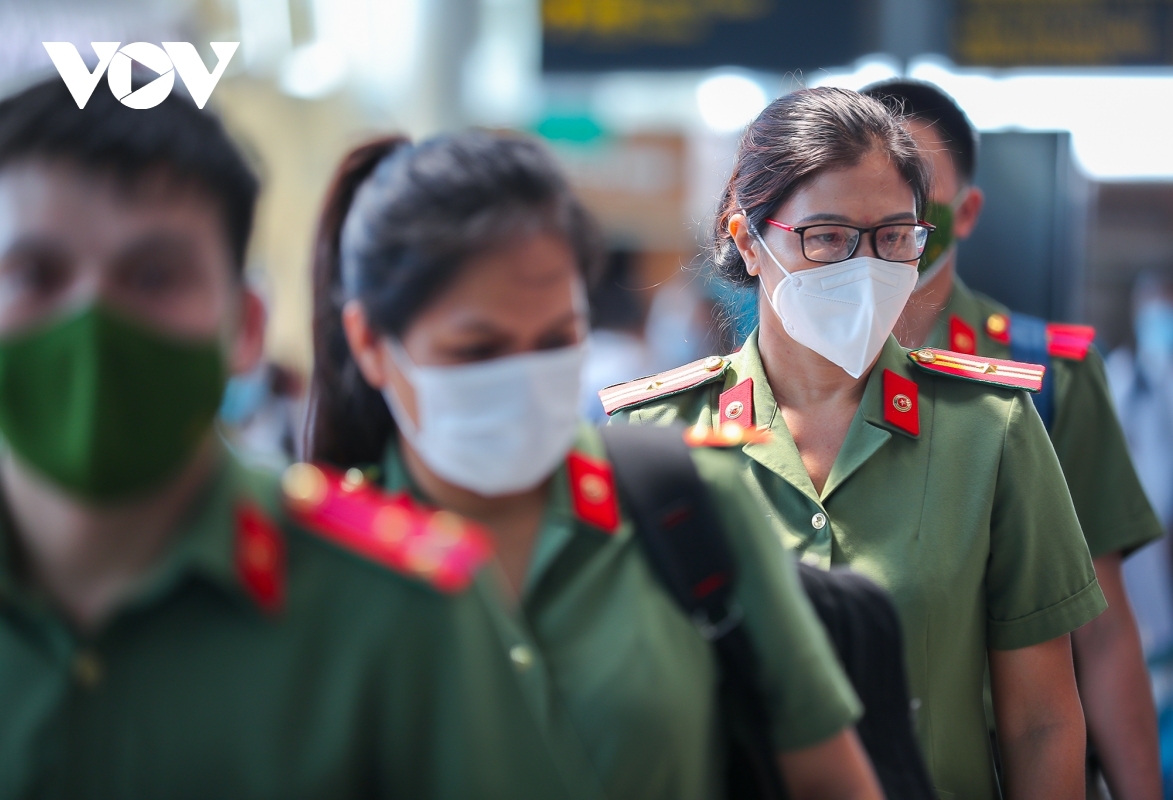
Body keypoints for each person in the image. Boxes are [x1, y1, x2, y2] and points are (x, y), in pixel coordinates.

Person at [0, 79, 587, 799]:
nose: (92, 325)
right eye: (34, 274)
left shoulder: (404, 618)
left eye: (154, 276)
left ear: (245, 327)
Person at [307, 129, 883, 800]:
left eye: (556, 340)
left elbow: (830, 779)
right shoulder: (324, 564)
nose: (521, 378)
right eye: (477, 350)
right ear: (371, 344)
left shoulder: (689, 506)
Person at [603, 87, 1105, 800]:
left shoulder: (989, 428)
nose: (866, 268)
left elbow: (1043, 719)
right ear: (748, 238)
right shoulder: (655, 442)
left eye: (895, 236)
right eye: (829, 237)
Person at [862, 79, 1164, 800]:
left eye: (918, 193)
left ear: (964, 213)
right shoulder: (788, 375)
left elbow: (1103, 629)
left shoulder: (1041, 377)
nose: (892, 219)